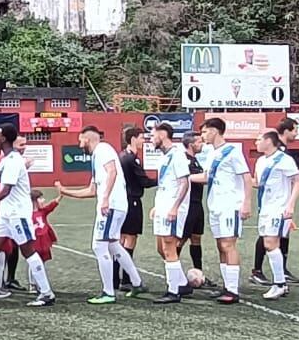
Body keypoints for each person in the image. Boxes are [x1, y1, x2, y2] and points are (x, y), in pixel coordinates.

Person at [57, 125, 148, 305]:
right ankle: (137, 283)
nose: (79, 143)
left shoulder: (103, 149)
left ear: (87, 139)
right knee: (113, 245)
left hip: (111, 206)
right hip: (115, 206)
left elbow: (112, 171)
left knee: (99, 246)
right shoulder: (96, 158)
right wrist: (65, 191)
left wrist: (105, 198)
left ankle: (108, 292)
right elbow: (92, 191)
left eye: (80, 139)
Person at [0, 123, 52, 306]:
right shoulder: (6, 159)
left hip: (17, 214)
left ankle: (46, 293)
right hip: (6, 213)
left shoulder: (13, 161)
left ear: (3, 138)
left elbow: (5, 190)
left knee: (28, 250)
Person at [190, 118, 254, 303]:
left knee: (228, 245)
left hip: (229, 205)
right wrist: (185, 178)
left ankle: (233, 291)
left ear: (214, 131)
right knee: (220, 246)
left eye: (204, 132)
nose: (202, 136)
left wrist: (246, 203)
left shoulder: (232, 152)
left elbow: (246, 178)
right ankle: (227, 286)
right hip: (215, 205)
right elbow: (207, 177)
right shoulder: (212, 153)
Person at [251, 130, 299, 300]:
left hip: (278, 208)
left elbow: (298, 183)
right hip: (265, 208)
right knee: (269, 243)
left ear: (268, 141)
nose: (255, 142)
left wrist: (290, 205)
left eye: (258, 139)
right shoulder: (260, 161)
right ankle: (281, 283)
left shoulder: (284, 160)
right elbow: (258, 183)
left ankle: (279, 284)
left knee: (270, 243)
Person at [149, 122, 196, 304]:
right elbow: (165, 185)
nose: (151, 139)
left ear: (162, 134)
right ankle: (182, 283)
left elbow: (184, 183)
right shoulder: (164, 157)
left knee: (169, 247)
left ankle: (173, 290)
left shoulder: (177, 155)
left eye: (153, 135)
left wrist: (175, 207)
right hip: (163, 206)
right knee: (161, 248)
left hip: (172, 208)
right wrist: (157, 206)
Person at [114, 126, 154, 291]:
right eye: (141, 137)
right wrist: (164, 179)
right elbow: (143, 181)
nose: (143, 140)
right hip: (132, 201)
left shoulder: (122, 156)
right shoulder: (131, 159)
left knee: (121, 240)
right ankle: (127, 279)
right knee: (130, 239)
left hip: (124, 200)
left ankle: (116, 279)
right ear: (133, 139)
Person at [179, 129, 206, 272]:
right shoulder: (184, 160)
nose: (202, 145)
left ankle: (199, 272)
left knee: (196, 238)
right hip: (188, 205)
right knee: (181, 239)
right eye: (199, 142)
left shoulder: (195, 160)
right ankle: (174, 272)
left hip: (197, 204)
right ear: (191, 144)